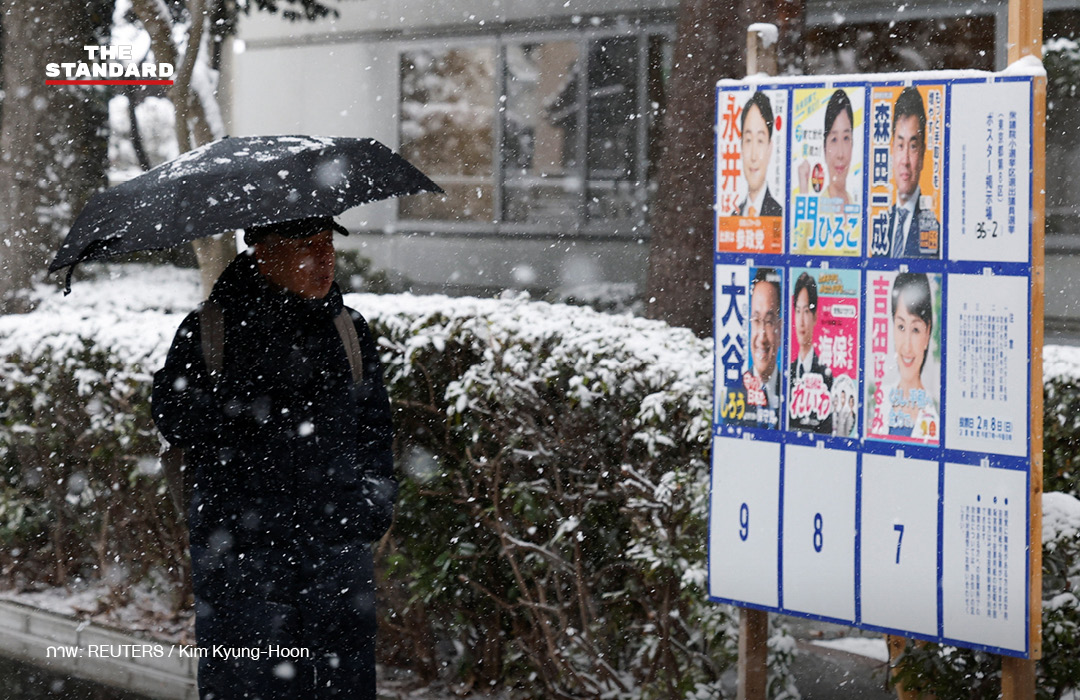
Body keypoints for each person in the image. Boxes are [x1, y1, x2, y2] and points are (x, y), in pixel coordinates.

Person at [152, 216, 396, 699]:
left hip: (335, 555)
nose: (325, 259)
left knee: (341, 686)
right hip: (244, 562)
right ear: (264, 252)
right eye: (308, 246)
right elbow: (176, 421)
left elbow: (375, 430)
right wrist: (246, 400)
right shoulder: (210, 330)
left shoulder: (348, 330)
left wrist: (371, 506)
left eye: (328, 244)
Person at [870, 272, 939, 442]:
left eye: (915, 329)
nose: (907, 346)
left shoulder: (936, 411)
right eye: (901, 326)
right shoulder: (878, 401)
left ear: (927, 332)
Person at [882, 87, 940, 258]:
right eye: (900, 146)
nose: (905, 160)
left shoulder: (933, 231)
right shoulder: (879, 224)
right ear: (892, 150)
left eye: (913, 146)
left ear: (922, 153)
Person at [788, 272, 832, 433]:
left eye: (806, 311)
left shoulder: (826, 374)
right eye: (798, 311)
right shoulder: (788, 373)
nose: (801, 321)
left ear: (815, 316)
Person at [732, 91, 783, 217]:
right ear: (741, 146)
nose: (753, 156)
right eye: (748, 140)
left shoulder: (779, 215)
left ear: (769, 148)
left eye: (760, 141)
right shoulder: (733, 217)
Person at [743, 268, 781, 427]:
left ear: (781, 327)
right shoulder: (734, 394)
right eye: (756, 320)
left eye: (769, 322)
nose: (762, 336)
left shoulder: (794, 391)